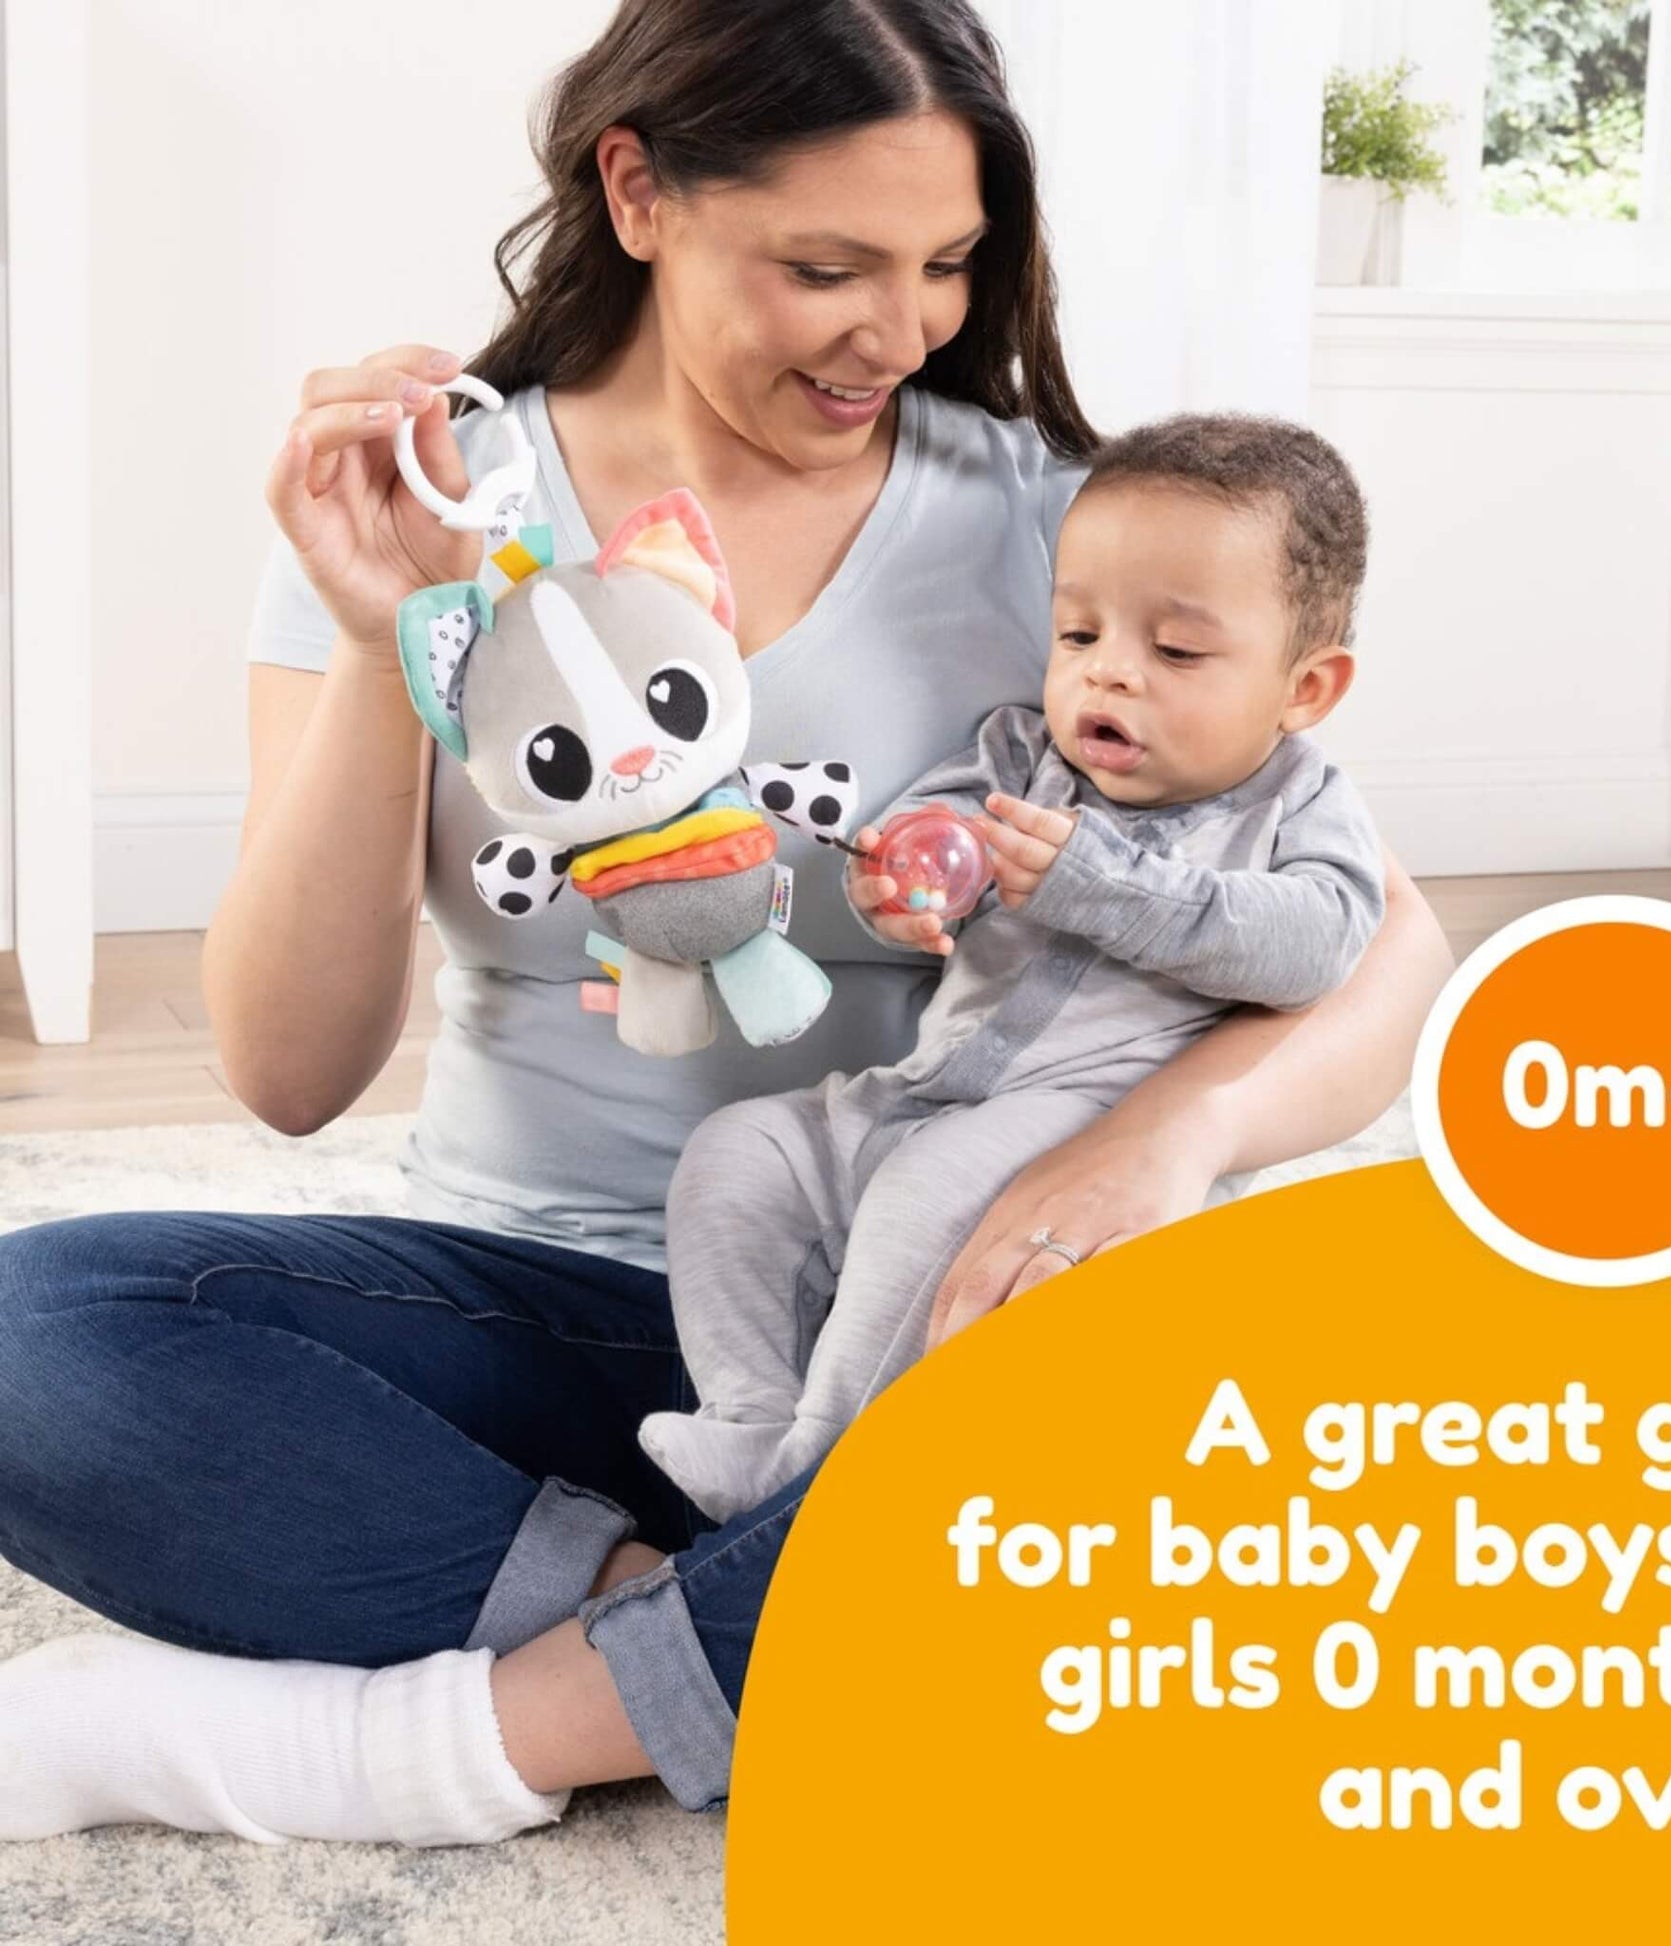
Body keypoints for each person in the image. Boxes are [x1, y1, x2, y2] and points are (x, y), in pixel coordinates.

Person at [0, 0, 1452, 1848]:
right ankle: (775, 1630)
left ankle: (462, 1740)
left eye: (945, 265)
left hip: (945, 1308)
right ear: (638, 190)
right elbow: (288, 1075)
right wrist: (387, 644)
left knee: (1373, 1453)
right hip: (582, 1321)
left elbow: (1380, 941)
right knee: (37, 1339)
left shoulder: (1055, 535)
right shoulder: (442, 512)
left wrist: (1151, 1154)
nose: (900, 331)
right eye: (826, 266)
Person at [644, 413, 1386, 1519]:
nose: (1110, 677)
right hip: (917, 1093)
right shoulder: (1014, 754)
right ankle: (753, 1420)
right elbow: (929, 836)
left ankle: (827, 1476)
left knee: (916, 1206)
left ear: (1304, 688)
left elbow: (1317, 941)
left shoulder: (1299, 806)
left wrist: (1106, 883)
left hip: (1078, 1129)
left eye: (1175, 651)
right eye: (1078, 635)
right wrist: (898, 885)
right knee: (737, 1153)